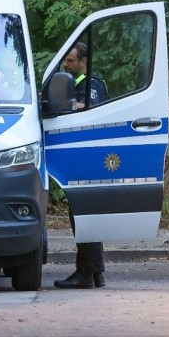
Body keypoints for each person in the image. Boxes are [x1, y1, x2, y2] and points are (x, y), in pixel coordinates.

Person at [54, 41, 109, 289]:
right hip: (87, 156)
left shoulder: (90, 85)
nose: (66, 64)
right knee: (86, 216)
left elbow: (89, 113)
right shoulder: (83, 83)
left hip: (88, 157)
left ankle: (85, 273)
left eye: (71, 60)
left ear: (84, 62)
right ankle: (95, 272)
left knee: (82, 216)